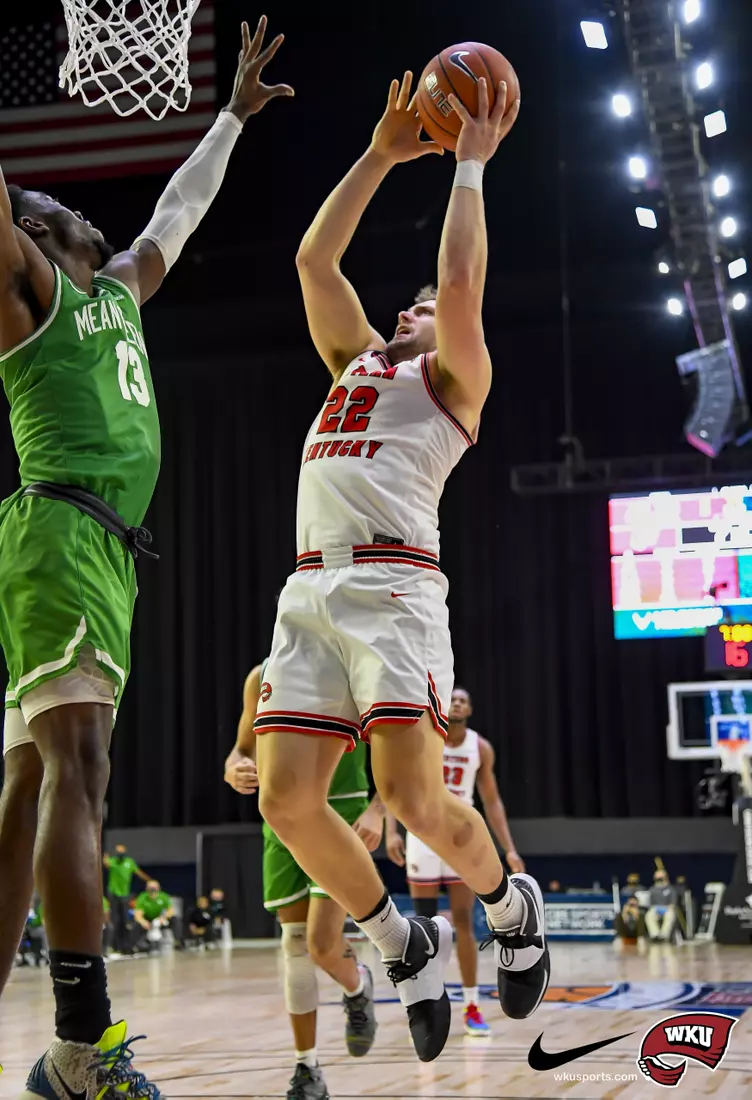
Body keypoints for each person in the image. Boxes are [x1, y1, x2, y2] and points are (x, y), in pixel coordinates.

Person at [0, 18, 292, 1099]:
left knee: (27, 787)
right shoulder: (29, 292)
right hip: (61, 537)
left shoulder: (116, 292)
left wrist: (228, 117)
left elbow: (178, 211)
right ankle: (82, 1046)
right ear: (31, 234)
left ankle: (57, 1048)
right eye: (55, 208)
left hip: (95, 552)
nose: (82, 211)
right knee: (80, 774)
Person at [254, 71, 547, 1065]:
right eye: (408, 302)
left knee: (415, 800)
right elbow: (312, 256)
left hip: (393, 586)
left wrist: (467, 162)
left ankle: (509, 904)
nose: (413, 305)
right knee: (287, 800)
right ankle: (399, 938)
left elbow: (459, 283)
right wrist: (382, 151)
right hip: (309, 587)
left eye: (424, 304)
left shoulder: (453, 380)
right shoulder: (357, 365)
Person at [226, 660, 381, 1100]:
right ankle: (307, 1067)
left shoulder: (356, 668)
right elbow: (240, 749)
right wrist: (234, 768)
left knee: (319, 944)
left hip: (341, 809)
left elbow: (398, 754)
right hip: (280, 815)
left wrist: (378, 810)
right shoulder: (260, 676)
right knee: (294, 942)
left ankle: (356, 985)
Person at [385, 686, 524, 1036]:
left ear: (471, 709)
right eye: (453, 699)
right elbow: (395, 784)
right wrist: (392, 831)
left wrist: (508, 847)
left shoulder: (479, 747)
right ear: (443, 706)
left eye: (464, 699)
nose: (458, 702)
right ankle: (428, 1004)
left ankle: (472, 1005)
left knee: (465, 920)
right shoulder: (425, 737)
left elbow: (492, 802)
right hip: (423, 833)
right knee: (422, 926)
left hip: (461, 833)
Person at [103, 843, 149, 953]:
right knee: (115, 920)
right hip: (114, 894)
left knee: (125, 920)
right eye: (118, 851)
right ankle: (115, 946)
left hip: (125, 895)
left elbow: (138, 873)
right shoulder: (113, 861)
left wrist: (149, 880)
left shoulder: (129, 862)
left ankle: (126, 945)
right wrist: (105, 856)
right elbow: (106, 864)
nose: (120, 854)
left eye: (122, 851)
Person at [132, 880, 182, 952]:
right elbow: (138, 914)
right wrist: (143, 922)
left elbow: (171, 911)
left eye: (154, 888)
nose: (152, 890)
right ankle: (136, 946)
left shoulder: (164, 896)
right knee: (136, 925)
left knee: (175, 920)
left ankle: (178, 941)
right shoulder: (142, 897)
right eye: (150, 888)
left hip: (159, 919)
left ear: (158, 888)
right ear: (147, 888)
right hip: (147, 919)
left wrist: (163, 918)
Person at [645, 870, 678, 942]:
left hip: (667, 909)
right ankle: (655, 935)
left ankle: (664, 936)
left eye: (661, 878)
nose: (659, 880)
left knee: (670, 915)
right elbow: (650, 904)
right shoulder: (652, 889)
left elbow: (673, 903)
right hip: (656, 909)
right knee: (649, 915)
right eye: (658, 878)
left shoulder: (671, 889)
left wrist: (668, 907)